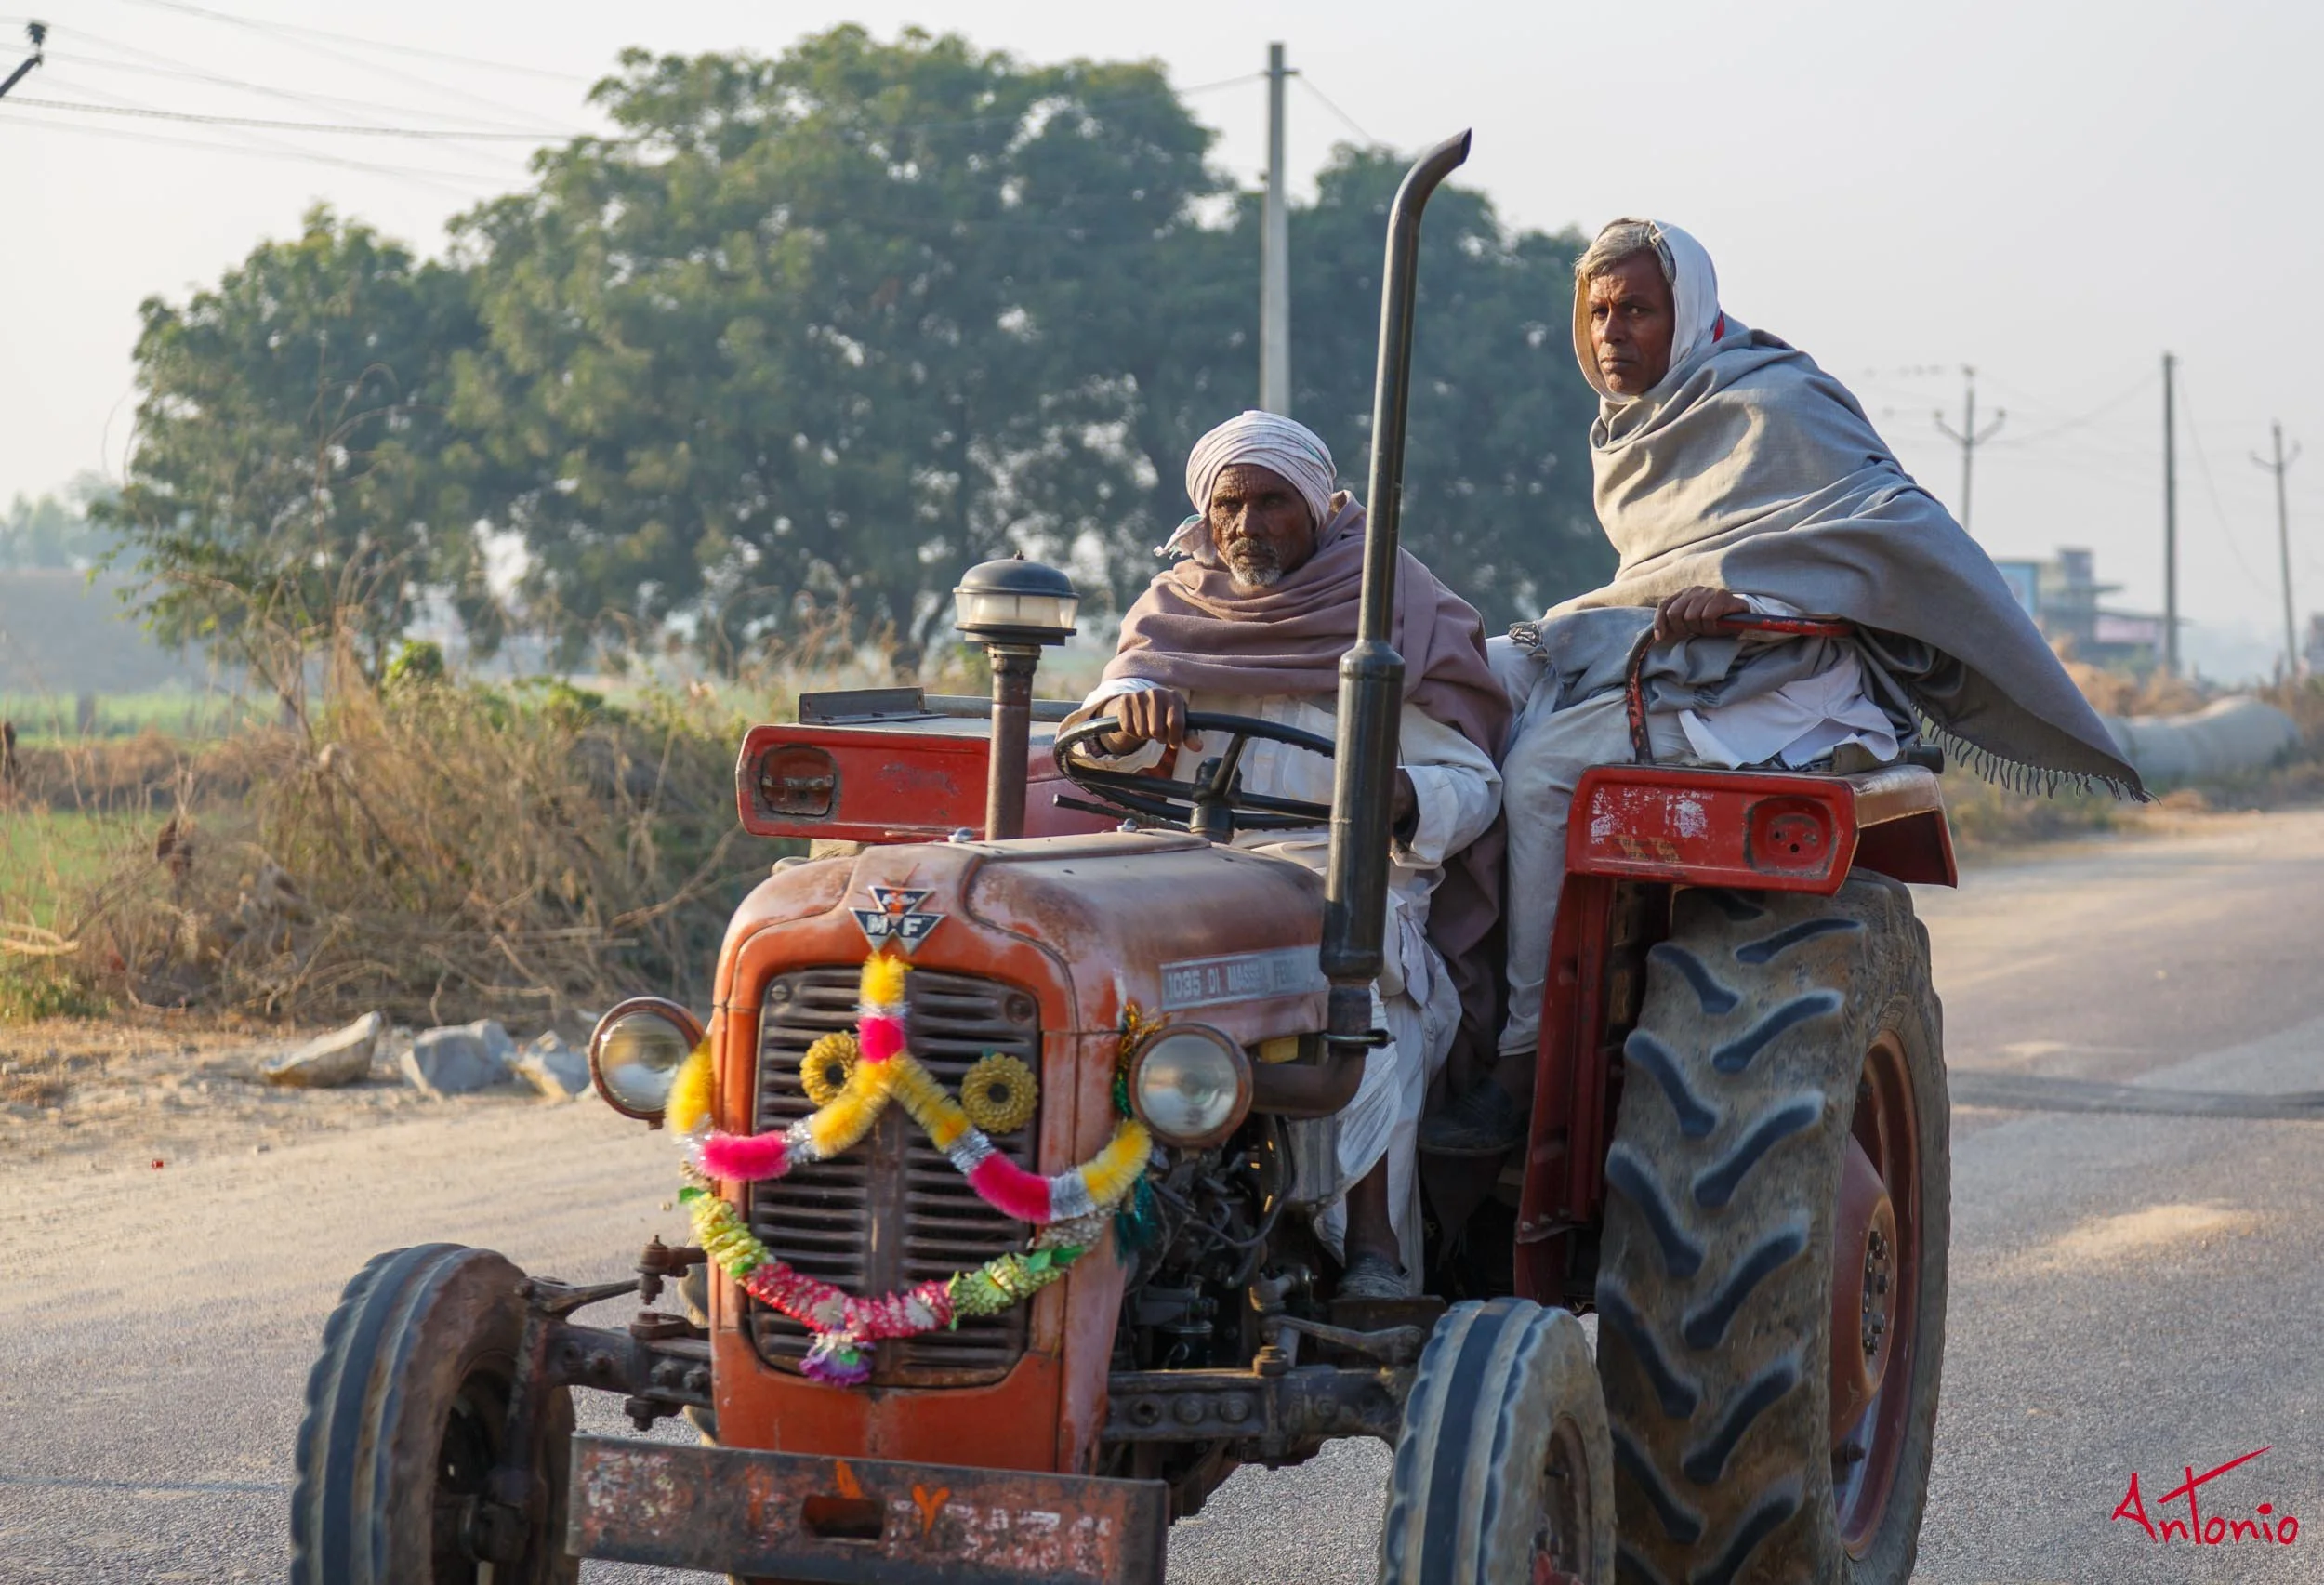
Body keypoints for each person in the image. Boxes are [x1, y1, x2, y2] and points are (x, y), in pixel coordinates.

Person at [1420, 218, 2145, 1156]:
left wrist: (1750, 596)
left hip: (1784, 670)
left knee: (1540, 777)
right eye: (1597, 312)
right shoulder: (1634, 430)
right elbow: (1659, 569)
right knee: (1473, 689)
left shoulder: (1774, 400)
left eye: (1636, 309)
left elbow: (1887, 521)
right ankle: (1447, 1005)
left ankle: (1520, 1058)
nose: (1611, 332)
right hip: (1674, 650)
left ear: (1685, 313)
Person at [1068, 410, 1508, 1298]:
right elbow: (1103, 722)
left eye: (1272, 503)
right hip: (1193, 871)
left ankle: (1374, 1247)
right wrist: (1127, 718)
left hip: (1345, 873)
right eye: (1230, 505)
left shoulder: (1393, 607)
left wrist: (1405, 796)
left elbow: (1478, 779)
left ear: (1319, 507)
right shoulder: (1173, 610)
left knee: (1351, 956)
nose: (1247, 526)